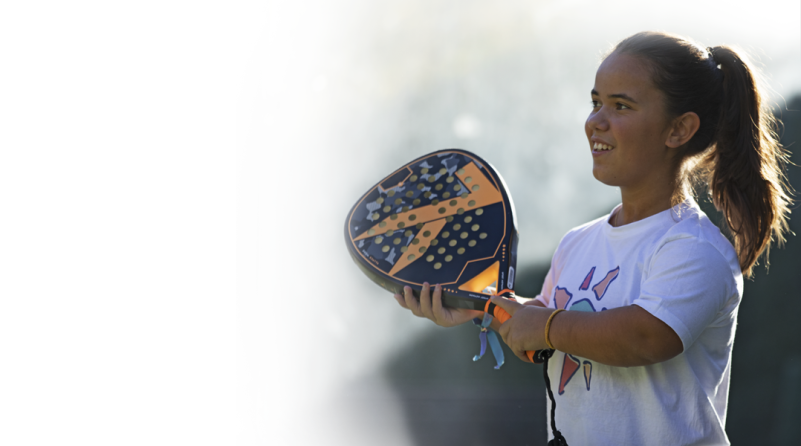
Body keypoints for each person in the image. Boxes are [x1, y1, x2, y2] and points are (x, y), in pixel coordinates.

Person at [393, 31, 793, 445]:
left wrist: (544, 325)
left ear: (679, 129)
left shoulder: (695, 248)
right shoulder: (576, 243)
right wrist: (481, 308)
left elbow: (644, 338)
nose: (596, 121)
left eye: (621, 105)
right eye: (595, 102)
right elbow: (544, 337)